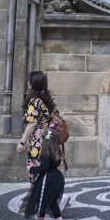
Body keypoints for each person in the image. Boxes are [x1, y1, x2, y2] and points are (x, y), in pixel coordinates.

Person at [16, 71, 69, 210]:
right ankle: (48, 203)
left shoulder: (35, 101)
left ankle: (46, 204)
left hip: (38, 141)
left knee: (36, 172)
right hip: (49, 140)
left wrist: (22, 142)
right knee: (46, 171)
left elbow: (32, 123)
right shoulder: (48, 99)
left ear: (33, 84)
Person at [21, 127, 68, 220]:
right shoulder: (55, 150)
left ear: (45, 141)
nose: (39, 141)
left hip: (49, 180)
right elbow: (49, 165)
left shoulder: (46, 153)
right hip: (54, 178)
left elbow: (45, 167)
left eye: (41, 139)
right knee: (43, 200)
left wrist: (31, 169)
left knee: (51, 203)